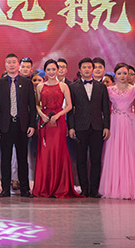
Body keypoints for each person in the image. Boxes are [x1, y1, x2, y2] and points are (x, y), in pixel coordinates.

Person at [99, 64, 135, 200]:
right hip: (115, 122)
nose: (122, 76)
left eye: (125, 73)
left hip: (129, 123)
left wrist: (133, 121)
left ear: (129, 75)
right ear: (115, 74)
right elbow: (106, 109)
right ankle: (114, 188)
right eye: (119, 73)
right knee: (114, 153)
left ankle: (132, 187)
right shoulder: (109, 90)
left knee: (130, 153)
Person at [33, 60, 81, 198]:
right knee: (45, 153)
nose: (52, 72)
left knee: (58, 152)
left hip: (58, 123)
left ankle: (60, 186)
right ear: (45, 71)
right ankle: (45, 186)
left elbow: (69, 106)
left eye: (54, 69)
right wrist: (42, 115)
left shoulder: (63, 86)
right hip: (45, 123)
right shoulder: (40, 86)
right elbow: (36, 104)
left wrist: (58, 115)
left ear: (58, 70)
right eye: (49, 69)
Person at [0, 53, 36, 198]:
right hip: (5, 125)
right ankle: (5, 188)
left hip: (22, 126)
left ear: (19, 65)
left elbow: (32, 106)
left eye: (14, 62)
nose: (11, 65)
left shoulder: (27, 83)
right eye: (8, 62)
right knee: (6, 158)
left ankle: (25, 189)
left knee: (22, 158)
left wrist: (32, 125)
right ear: (5, 65)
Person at [66, 57, 110, 198]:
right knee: (81, 159)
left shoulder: (101, 87)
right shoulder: (73, 87)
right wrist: (71, 127)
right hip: (80, 127)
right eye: (84, 67)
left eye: (89, 67)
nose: (87, 69)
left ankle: (94, 190)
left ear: (93, 69)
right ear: (80, 70)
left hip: (97, 127)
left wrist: (106, 126)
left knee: (96, 159)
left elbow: (105, 108)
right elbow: (70, 110)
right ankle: (84, 189)